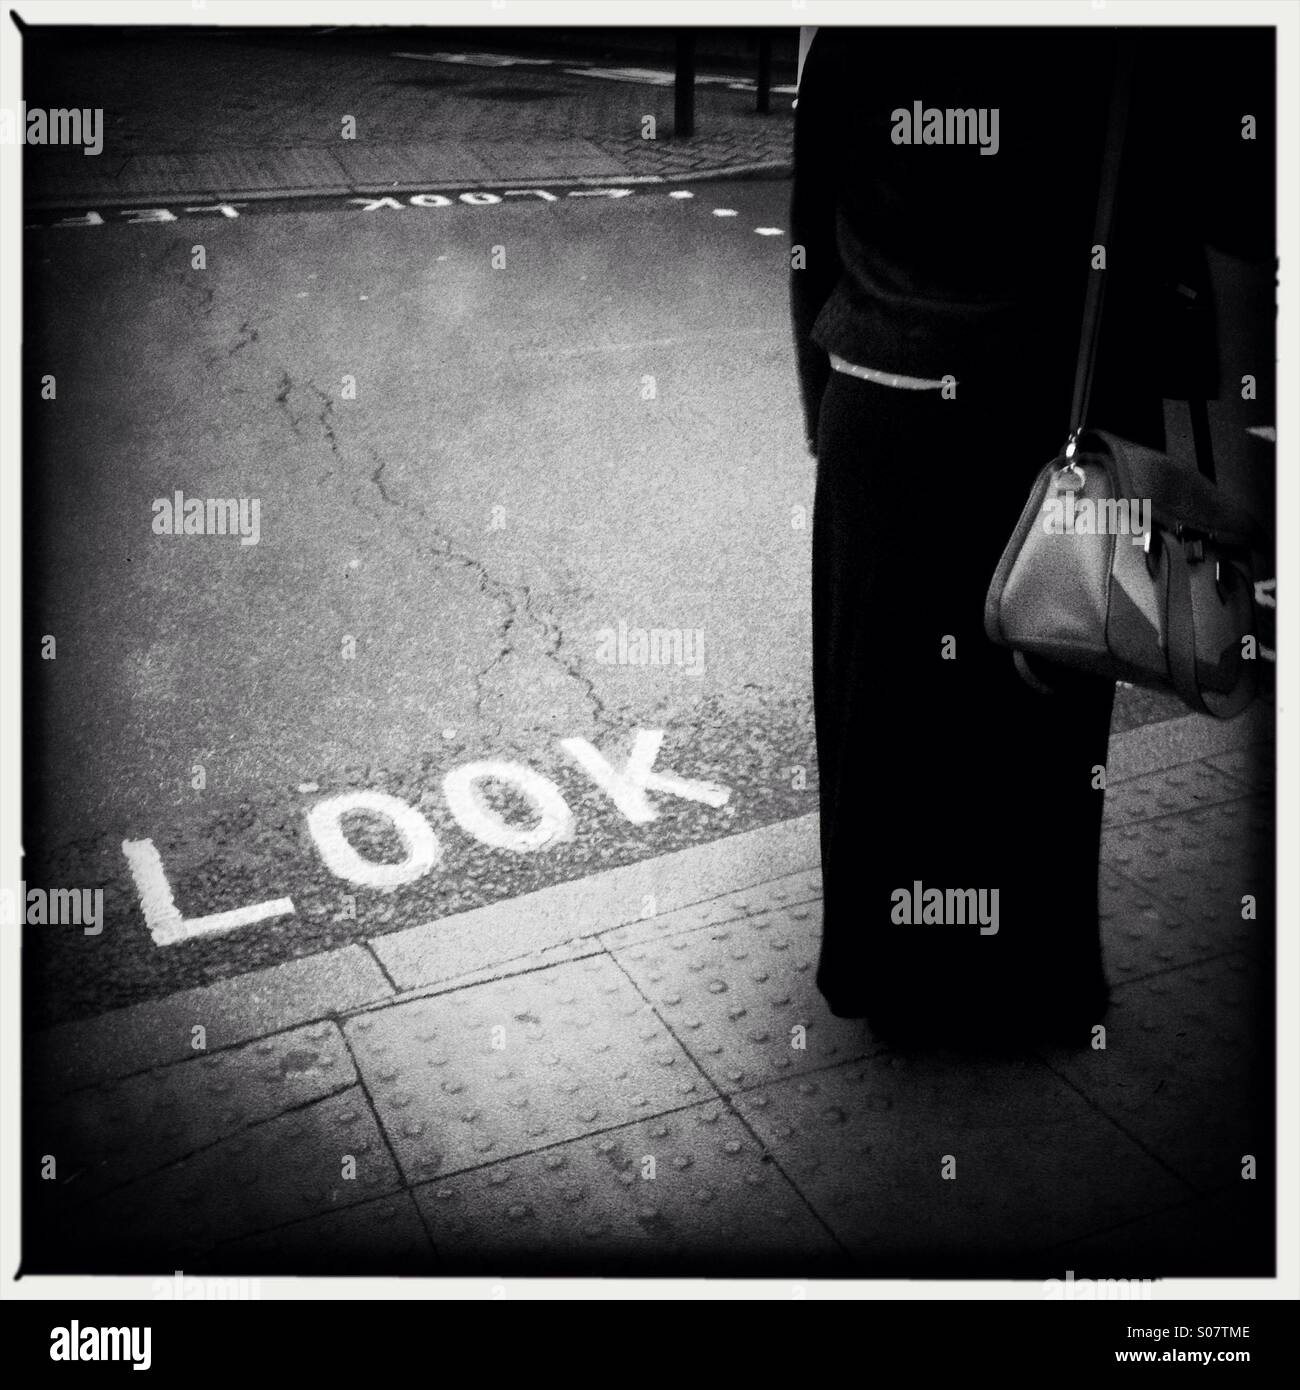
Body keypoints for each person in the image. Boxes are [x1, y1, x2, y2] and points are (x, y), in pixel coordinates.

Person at [789, 26, 1267, 1045]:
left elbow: (810, 239)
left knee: (885, 710)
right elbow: (1207, 226)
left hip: (880, 406)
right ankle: (1029, 976)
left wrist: (817, 408)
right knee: (1042, 699)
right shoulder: (1114, 39)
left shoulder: (856, 39)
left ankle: (893, 971)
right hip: (1055, 424)